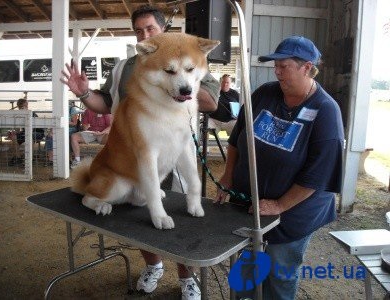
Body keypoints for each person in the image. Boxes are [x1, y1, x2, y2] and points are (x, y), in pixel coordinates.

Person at [60, 5, 219, 299]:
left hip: (172, 155)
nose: (144, 36)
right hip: (132, 154)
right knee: (144, 228)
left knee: (184, 228)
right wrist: (83, 93)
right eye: (138, 31)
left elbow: (210, 102)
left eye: (151, 29)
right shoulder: (123, 66)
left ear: (163, 29)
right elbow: (106, 103)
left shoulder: (190, 56)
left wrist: (184, 84)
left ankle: (187, 279)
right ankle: (154, 267)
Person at [215, 36, 344, 300]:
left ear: (307, 67)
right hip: (250, 207)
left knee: (279, 274)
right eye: (276, 66)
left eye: (284, 66)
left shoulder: (326, 110)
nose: (277, 71)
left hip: (293, 214)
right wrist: (228, 175)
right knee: (247, 269)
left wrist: (280, 205)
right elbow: (238, 139)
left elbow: (316, 176)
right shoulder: (265, 93)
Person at [8, 98, 45, 166]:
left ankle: (28, 159)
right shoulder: (17, 114)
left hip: (38, 132)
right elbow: (18, 129)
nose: (27, 106)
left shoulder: (31, 113)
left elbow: (37, 127)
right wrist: (14, 132)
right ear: (20, 105)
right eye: (25, 104)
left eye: (26, 104)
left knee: (29, 136)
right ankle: (18, 158)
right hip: (27, 132)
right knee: (14, 136)